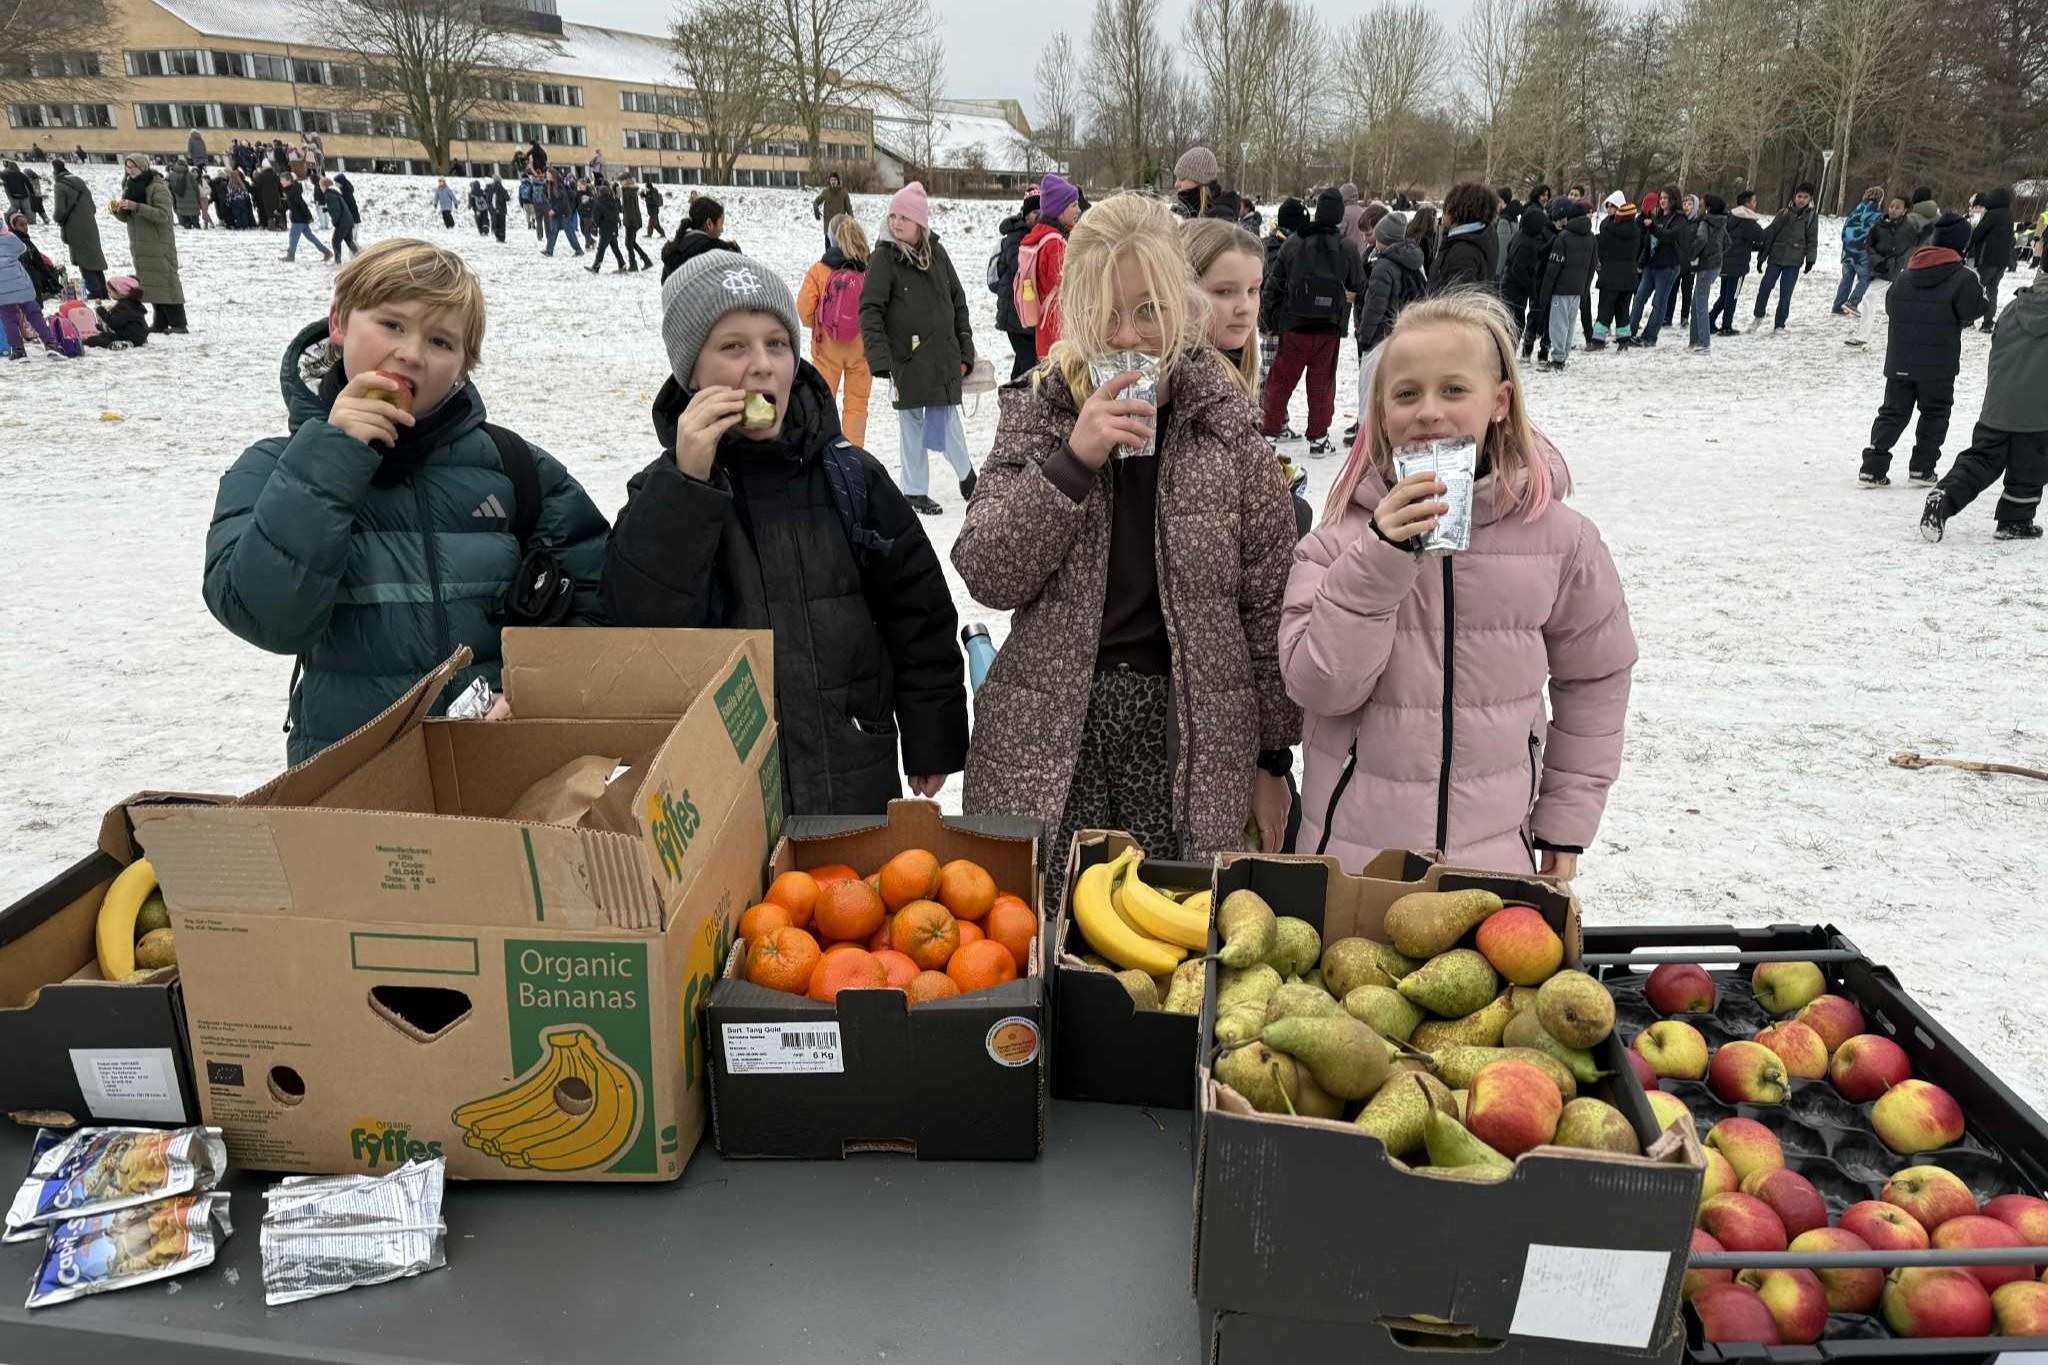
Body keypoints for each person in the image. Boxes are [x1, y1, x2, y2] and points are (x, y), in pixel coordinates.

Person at [953, 192, 1301, 870]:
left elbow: (1269, 605)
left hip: (1188, 730)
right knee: (1055, 928)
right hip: (1057, 724)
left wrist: (1271, 758)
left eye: (1149, 310)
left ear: (1184, 304)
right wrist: (1071, 464)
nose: (1128, 337)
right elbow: (986, 571)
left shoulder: (1226, 425)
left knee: (1169, 932)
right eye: (1104, 314)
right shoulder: (1041, 412)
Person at [203, 239, 611, 761]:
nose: (412, 354)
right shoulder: (274, 468)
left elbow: (597, 597)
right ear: (339, 325)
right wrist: (330, 459)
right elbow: (267, 618)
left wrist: (536, 690)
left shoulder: (514, 468)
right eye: (392, 325)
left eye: (441, 342)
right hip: (349, 773)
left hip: (498, 762)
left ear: (465, 365)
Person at [601, 248, 965, 812]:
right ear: (690, 371)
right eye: (732, 347)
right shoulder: (662, 493)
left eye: (777, 343)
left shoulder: (851, 476)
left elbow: (918, 612)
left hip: (850, 771)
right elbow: (641, 628)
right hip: (726, 796)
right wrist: (686, 484)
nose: (762, 364)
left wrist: (931, 734)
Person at [1282, 291, 1633, 874]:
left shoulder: (1562, 542)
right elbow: (1320, 688)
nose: (1428, 411)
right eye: (1406, 394)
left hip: (1494, 858)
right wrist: (1382, 559)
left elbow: (1596, 678)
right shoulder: (1337, 543)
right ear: (1379, 416)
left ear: (1499, 402)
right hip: (1353, 860)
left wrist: (1565, 824)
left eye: (1453, 390)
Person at [1188, 216, 1312, 538]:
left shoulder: (1228, 367)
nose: (1245, 307)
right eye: (1225, 291)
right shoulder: (1187, 385)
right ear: (1181, 292)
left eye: (1253, 289)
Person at [860, 182, 977, 515]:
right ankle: (914, 490)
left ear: (920, 224)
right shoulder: (884, 257)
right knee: (910, 422)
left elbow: (958, 302)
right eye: (893, 215)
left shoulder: (937, 253)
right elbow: (870, 309)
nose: (896, 223)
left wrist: (966, 351)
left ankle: (967, 476)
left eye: (905, 217)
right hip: (905, 359)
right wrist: (880, 358)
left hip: (942, 356)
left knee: (945, 418)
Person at [1858, 213, 1985, 488]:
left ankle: (1873, 466)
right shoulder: (1964, 277)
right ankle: (1922, 467)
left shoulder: (1905, 274)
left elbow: (1891, 307)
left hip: (1900, 359)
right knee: (1935, 413)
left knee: (1892, 412)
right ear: (1962, 245)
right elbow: (1975, 308)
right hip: (1939, 363)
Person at [1920, 276, 2047, 542]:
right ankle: (2015, 521)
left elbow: (1998, 342)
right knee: (2031, 467)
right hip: (2038, 411)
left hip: (1999, 402)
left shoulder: (2016, 305)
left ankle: (1944, 497)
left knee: (1982, 458)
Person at [1261, 188, 1364, 456]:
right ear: (1340, 216)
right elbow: (1358, 284)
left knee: (1280, 381)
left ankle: (1269, 434)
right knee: (1321, 385)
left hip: (1294, 325)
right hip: (1329, 327)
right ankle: (1318, 439)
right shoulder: (1347, 247)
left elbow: (1274, 284)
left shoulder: (1294, 242)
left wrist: (1270, 318)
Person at [797, 213, 873, 447]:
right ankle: (854, 450)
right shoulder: (869, 271)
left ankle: (823, 446)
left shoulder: (820, 270)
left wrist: (823, 322)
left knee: (823, 400)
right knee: (857, 405)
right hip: (862, 350)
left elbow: (804, 311)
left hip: (827, 347)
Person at [111, 155, 188, 332]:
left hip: (158, 242)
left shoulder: (157, 187)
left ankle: (179, 323)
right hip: (141, 244)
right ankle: (160, 322)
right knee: (151, 285)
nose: (130, 171)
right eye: (128, 167)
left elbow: (163, 215)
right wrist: (118, 210)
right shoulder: (130, 187)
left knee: (167, 283)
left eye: (134, 167)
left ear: (143, 167)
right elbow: (129, 217)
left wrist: (136, 206)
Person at [1021, 174, 1082, 360]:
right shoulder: (1055, 244)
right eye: (1073, 205)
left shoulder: (1041, 235)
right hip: (1058, 333)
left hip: (1045, 329)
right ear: (1058, 210)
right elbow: (1069, 287)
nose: (1078, 210)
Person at [1748, 182, 1819, 333]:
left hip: (1794, 260)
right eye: (1799, 196)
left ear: (1810, 199)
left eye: (1805, 197)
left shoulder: (1812, 217)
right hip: (1776, 257)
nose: (1801, 200)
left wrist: (1810, 260)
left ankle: (1780, 324)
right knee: (1765, 288)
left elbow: (1812, 240)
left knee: (1786, 293)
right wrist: (1762, 257)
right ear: (1794, 196)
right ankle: (1758, 316)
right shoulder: (1784, 213)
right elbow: (1771, 234)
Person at [1536, 201, 1595, 370]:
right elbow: (1592, 266)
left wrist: (1545, 293)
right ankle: (1563, 355)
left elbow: (1553, 269)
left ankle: (1558, 358)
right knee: (1569, 324)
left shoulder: (1563, 237)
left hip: (1560, 290)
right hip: (1577, 289)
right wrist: (1584, 288)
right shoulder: (1591, 237)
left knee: (1558, 324)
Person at [1847, 198, 1913, 348]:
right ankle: (1864, 336)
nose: (1893, 210)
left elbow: (1904, 250)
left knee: (1869, 296)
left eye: (1897, 207)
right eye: (1891, 206)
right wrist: (1877, 259)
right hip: (1876, 267)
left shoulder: (1907, 228)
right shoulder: (1879, 225)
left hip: (1892, 270)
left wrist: (1891, 263)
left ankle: (1863, 337)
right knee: (1885, 302)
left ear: (1904, 210)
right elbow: (1869, 244)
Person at [992, 191, 1040, 380]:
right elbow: (1019, 265)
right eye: (1036, 212)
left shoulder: (1033, 233)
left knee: (1024, 363)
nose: (1040, 215)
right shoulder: (1016, 235)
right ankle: (1018, 400)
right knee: (1028, 364)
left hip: (1024, 312)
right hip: (1014, 313)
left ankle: (1011, 400)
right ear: (1026, 214)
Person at [1627, 187, 1684, 348]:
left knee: (1659, 303)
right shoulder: (1658, 217)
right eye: (1661, 198)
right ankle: (1629, 332)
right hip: (1650, 266)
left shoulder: (1679, 219)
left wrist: (1652, 227)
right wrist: (1641, 262)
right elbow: (1648, 242)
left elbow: (1668, 236)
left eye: (1666, 198)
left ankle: (1649, 336)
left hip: (1667, 267)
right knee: (1639, 299)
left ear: (1673, 200)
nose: (1662, 201)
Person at [0, 218, 64, 360]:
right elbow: (22, 248)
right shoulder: (10, 237)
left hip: (1, 290)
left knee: (8, 318)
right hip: (20, 284)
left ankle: (18, 349)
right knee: (34, 314)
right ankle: (50, 343)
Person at [1711, 190, 1766, 335]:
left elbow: (1739, 241)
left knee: (1724, 296)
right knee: (1732, 297)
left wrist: (1752, 246)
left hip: (1725, 263)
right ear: (1747, 203)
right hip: (1738, 266)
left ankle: (1710, 320)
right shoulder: (1747, 221)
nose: (1755, 204)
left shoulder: (1729, 217)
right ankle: (1726, 326)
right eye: (1754, 201)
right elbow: (1762, 236)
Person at [50, 161, 107, 299]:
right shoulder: (81, 184)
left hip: (74, 228)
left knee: (83, 260)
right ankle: (103, 290)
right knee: (94, 258)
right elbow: (93, 208)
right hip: (90, 226)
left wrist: (58, 219)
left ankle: (95, 291)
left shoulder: (60, 186)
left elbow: (59, 212)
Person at [1590, 196, 1640, 350]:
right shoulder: (1635, 230)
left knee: (1605, 309)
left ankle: (1598, 341)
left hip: (1610, 277)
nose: (1609, 209)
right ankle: (1623, 341)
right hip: (1628, 277)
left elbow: (1603, 248)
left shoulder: (1609, 229)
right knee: (1623, 309)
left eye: (1612, 206)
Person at [1432, 183, 1498, 293]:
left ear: (1457, 211)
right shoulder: (1484, 234)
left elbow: (1456, 304)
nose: (1443, 215)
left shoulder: (1462, 253)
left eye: (1446, 209)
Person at [1501, 202, 1549, 352]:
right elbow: (1518, 269)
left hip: (1510, 284)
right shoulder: (1527, 244)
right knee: (1516, 323)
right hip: (1514, 288)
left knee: (1513, 321)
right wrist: (1531, 287)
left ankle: (1508, 350)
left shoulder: (1520, 236)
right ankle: (1508, 352)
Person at [1968, 186, 2016, 332]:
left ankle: (1968, 317)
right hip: (2002, 261)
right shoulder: (2009, 215)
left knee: (1978, 288)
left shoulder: (1993, 214)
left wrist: (1969, 244)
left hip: (1988, 258)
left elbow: (1979, 232)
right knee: (1992, 290)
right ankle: (1988, 322)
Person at [1684, 195, 1728, 352]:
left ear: (1707, 209)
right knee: (1696, 303)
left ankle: (1704, 342)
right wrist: (1717, 254)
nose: (1699, 208)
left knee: (1700, 304)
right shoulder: (1721, 222)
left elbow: (1701, 239)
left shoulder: (1704, 222)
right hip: (1715, 266)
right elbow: (1727, 242)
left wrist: (1692, 255)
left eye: (1701, 206)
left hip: (1706, 267)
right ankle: (1694, 340)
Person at [660, 194, 738, 279]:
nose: (722, 229)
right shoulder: (712, 251)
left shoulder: (676, 247)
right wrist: (735, 249)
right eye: (721, 224)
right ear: (709, 224)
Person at [1834, 186, 1884, 317]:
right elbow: (1877, 233)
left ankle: (1838, 306)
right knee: (1865, 278)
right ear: (1880, 199)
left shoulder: (1855, 212)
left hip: (1847, 250)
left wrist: (1847, 244)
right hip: (1862, 250)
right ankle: (1852, 302)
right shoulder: (1876, 214)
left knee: (1846, 278)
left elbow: (1844, 230)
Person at [279, 173, 330, 263]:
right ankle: (327, 252)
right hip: (301, 218)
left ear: (289, 180)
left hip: (298, 219)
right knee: (311, 237)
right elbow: (289, 204)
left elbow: (302, 204)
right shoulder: (290, 190)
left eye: (282, 180)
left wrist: (309, 216)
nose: (281, 182)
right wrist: (280, 210)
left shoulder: (293, 191)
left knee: (293, 237)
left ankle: (290, 256)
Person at [587, 181, 627, 274]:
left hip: (605, 230)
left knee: (601, 248)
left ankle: (596, 266)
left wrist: (595, 226)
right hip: (613, 228)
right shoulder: (613, 201)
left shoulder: (599, 203)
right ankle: (622, 264)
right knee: (615, 247)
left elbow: (596, 218)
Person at [542, 170, 582, 257]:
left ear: (553, 176)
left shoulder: (560, 186)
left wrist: (554, 210)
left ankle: (578, 250)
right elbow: (549, 198)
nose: (547, 176)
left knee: (569, 232)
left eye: (548, 174)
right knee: (553, 231)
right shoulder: (548, 185)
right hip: (556, 214)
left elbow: (563, 202)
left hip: (564, 213)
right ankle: (549, 251)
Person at [321, 175, 360, 260]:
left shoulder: (330, 195)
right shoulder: (335, 193)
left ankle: (337, 261)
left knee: (335, 241)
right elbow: (338, 207)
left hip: (343, 222)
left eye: (321, 186)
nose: (321, 188)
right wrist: (328, 209)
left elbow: (336, 211)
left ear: (325, 186)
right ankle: (359, 256)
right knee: (349, 240)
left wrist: (335, 222)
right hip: (348, 220)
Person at [618, 177, 651, 270]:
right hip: (633, 221)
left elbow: (630, 209)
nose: (620, 183)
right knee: (631, 243)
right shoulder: (630, 191)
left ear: (626, 183)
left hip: (631, 222)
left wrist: (630, 223)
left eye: (622, 181)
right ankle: (646, 260)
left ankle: (634, 265)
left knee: (629, 243)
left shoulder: (627, 192)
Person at [812, 172, 851, 249]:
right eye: (831, 180)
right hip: (828, 226)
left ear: (838, 181)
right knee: (828, 249)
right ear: (829, 181)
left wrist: (852, 220)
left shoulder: (844, 193)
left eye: (835, 180)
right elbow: (816, 202)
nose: (833, 182)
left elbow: (849, 208)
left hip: (840, 226)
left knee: (841, 249)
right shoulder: (826, 192)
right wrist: (816, 209)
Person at [1407, 203, 1440, 277]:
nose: (1437, 221)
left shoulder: (1411, 233)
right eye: (1436, 218)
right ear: (1430, 219)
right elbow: (1426, 267)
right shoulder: (1423, 240)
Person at [168, 157, 201, 229]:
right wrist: (199, 203)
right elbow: (196, 189)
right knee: (196, 227)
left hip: (180, 204)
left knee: (185, 228)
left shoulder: (172, 175)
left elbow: (170, 189)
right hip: (192, 205)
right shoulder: (190, 175)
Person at [253, 162, 283, 230]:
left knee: (267, 211)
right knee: (276, 211)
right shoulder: (275, 175)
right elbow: (280, 186)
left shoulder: (261, 176)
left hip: (265, 197)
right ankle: (278, 224)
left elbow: (257, 186)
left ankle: (269, 225)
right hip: (276, 197)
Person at [487, 177, 508, 243]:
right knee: (502, 224)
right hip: (502, 210)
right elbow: (507, 198)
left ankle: (497, 237)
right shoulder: (502, 188)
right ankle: (502, 238)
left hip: (494, 210)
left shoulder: (491, 188)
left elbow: (488, 199)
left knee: (496, 223)